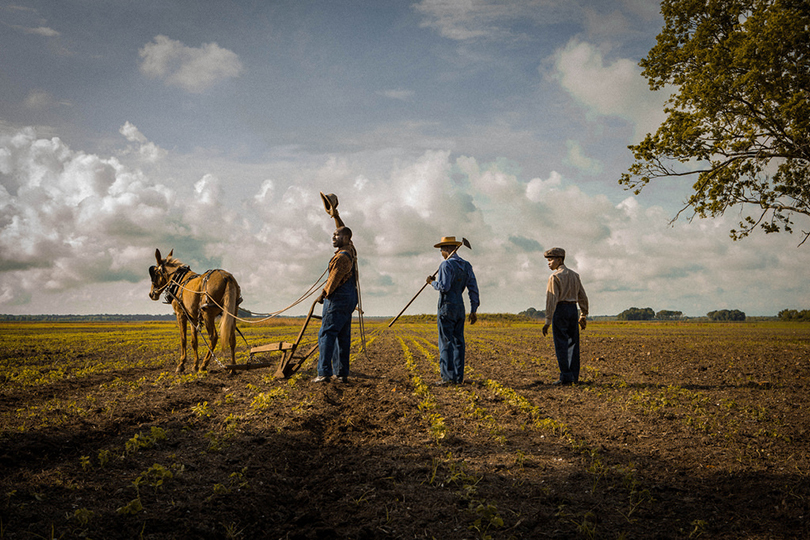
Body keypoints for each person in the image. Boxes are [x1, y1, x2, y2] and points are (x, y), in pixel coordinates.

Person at [426, 236, 479, 385]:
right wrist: (473, 309)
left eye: (442, 250)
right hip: (460, 308)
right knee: (458, 342)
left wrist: (432, 282)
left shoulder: (446, 265)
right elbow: (473, 288)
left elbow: (444, 287)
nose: (441, 253)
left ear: (448, 249)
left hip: (446, 306)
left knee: (445, 342)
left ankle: (447, 378)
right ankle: (458, 377)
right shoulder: (466, 265)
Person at [313, 226, 358, 383]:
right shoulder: (352, 252)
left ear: (345, 238)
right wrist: (334, 214)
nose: (333, 237)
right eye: (333, 235)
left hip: (337, 299)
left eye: (337, 235)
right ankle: (341, 373)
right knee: (343, 337)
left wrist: (322, 295)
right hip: (350, 299)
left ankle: (324, 372)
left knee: (326, 334)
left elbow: (332, 282)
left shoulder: (341, 257)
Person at [541, 247, 589, 385]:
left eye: (551, 260)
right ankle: (574, 376)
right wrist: (583, 314)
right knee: (573, 344)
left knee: (561, 344)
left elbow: (552, 300)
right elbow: (582, 296)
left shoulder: (554, 277)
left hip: (560, 310)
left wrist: (548, 320)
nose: (549, 263)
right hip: (573, 309)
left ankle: (566, 377)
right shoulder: (575, 275)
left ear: (559, 260)